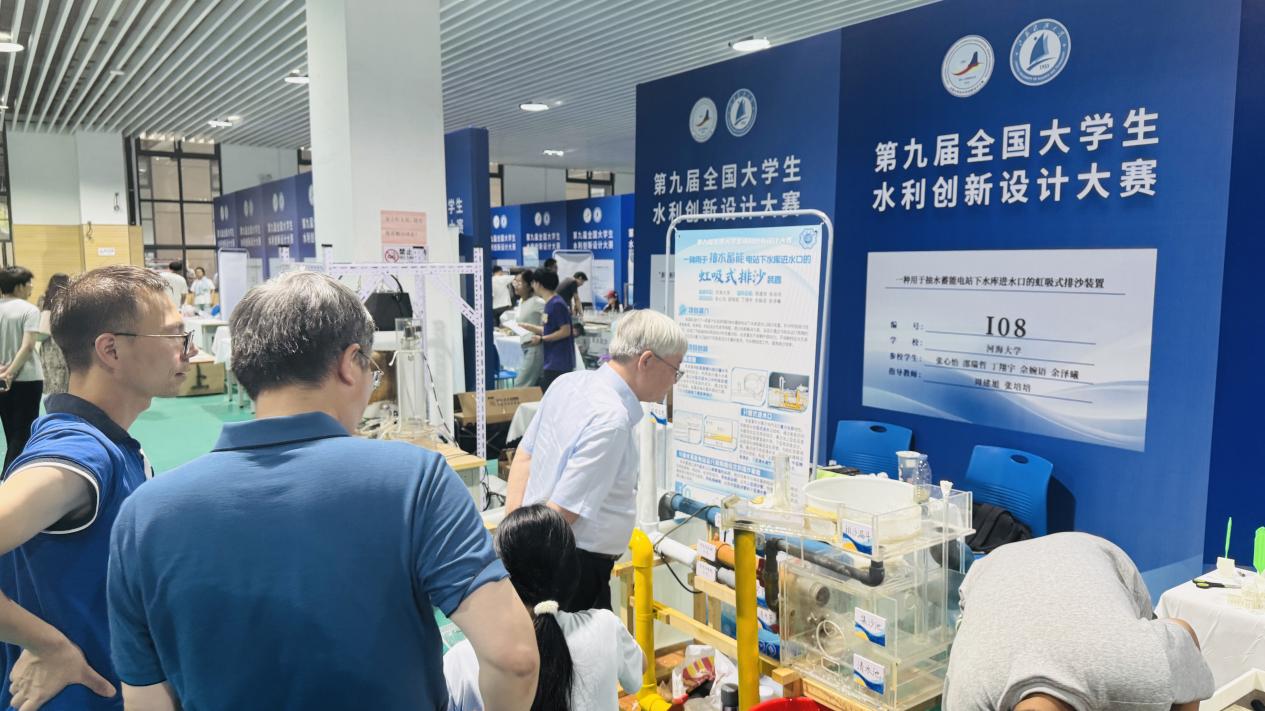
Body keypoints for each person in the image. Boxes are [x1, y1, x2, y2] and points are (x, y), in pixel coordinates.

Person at [106, 271, 539, 711]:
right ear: (349, 363)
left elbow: (146, 698)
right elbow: (514, 658)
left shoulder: (145, 514)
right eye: (371, 370)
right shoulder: (415, 481)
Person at [0, 265, 190, 711]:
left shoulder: (107, 443)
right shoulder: (80, 452)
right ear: (110, 350)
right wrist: (48, 645)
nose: (190, 349)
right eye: (174, 336)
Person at [507, 310, 687, 611]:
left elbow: (524, 456)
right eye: (675, 370)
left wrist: (513, 533)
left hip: (542, 550)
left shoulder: (567, 383)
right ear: (646, 361)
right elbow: (563, 511)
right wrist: (523, 554)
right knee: (571, 642)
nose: (674, 381)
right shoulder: (611, 420)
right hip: (571, 567)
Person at [943, 532, 1214, 711]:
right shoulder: (966, 695)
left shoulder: (1135, 669)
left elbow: (1184, 632)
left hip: (1094, 553)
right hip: (994, 567)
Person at [445, 504, 644, 711]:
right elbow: (639, 671)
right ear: (572, 572)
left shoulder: (463, 661)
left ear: (501, 575)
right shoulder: (607, 628)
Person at [0, 266, 46, 470]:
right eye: (28, 283)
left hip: (1, 379)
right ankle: (9, 476)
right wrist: (10, 373)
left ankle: (12, 474)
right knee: (24, 432)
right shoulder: (29, 310)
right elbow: (28, 346)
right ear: (18, 286)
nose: (31, 287)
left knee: (10, 431)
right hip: (27, 378)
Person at [530, 268, 576, 392]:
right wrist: (528, 327)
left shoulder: (556, 304)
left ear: (539, 284)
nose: (532, 286)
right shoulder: (550, 303)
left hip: (559, 362)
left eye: (533, 282)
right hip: (552, 360)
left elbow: (565, 331)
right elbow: (550, 329)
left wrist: (541, 339)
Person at [37, 273, 71, 397]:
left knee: (52, 379)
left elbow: (40, 328)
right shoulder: (71, 300)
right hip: (68, 344)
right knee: (67, 379)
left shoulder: (44, 301)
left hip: (49, 346)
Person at [513, 270, 545, 388]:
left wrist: (540, 336)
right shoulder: (521, 301)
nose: (516, 285)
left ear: (529, 285)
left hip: (535, 348)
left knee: (520, 385)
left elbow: (550, 324)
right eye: (515, 282)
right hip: (524, 346)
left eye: (519, 282)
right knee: (532, 386)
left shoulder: (538, 302)